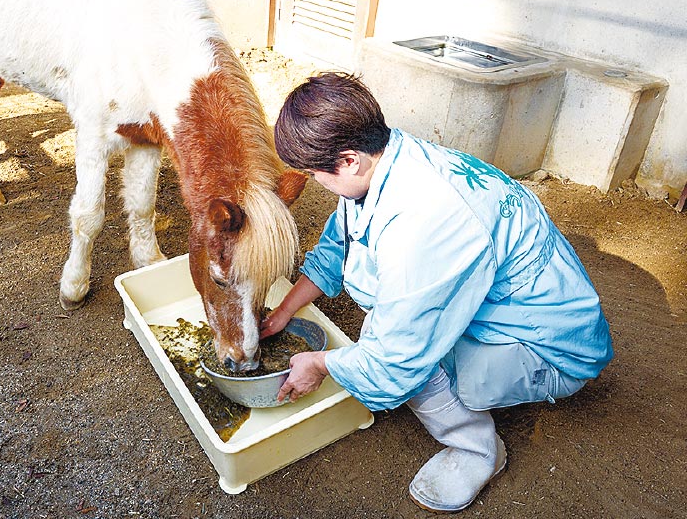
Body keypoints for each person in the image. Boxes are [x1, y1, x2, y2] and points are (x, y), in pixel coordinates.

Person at [261, 72, 613, 513]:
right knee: (389, 328)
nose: (316, 182)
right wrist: (282, 313)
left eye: (316, 173)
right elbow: (339, 245)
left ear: (348, 160)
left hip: (551, 347)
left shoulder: (426, 222)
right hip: (507, 309)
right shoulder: (387, 157)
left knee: (399, 348)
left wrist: (318, 364)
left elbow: (396, 358)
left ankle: (477, 451)